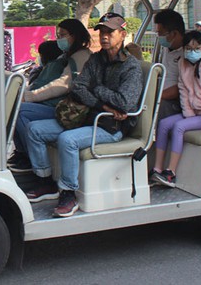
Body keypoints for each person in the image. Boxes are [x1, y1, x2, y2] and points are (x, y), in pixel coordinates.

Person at [23, 13, 143, 218]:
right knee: (34, 129)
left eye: (110, 32)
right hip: (87, 116)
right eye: (102, 32)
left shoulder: (131, 66)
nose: (104, 36)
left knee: (67, 139)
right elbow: (78, 86)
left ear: (122, 34)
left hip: (111, 125)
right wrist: (101, 102)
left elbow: (124, 103)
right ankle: (46, 181)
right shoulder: (96, 59)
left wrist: (96, 88)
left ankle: (68, 192)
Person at [7, 19, 92, 173]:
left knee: (20, 112)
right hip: (56, 105)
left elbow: (63, 84)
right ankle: (22, 153)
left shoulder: (81, 57)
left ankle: (30, 159)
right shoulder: (66, 55)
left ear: (75, 35)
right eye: (58, 35)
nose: (59, 39)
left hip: (69, 111)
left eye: (63, 35)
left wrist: (31, 96)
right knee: (14, 108)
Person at [151, 31, 201, 188]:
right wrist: (189, 115)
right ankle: (157, 168)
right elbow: (183, 89)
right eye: (188, 48)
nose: (192, 52)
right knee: (164, 124)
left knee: (179, 127)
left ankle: (171, 172)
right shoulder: (184, 64)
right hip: (194, 112)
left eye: (196, 48)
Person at [154, 9, 186, 119]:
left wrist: (155, 96)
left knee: (159, 105)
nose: (159, 37)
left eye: (161, 34)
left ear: (174, 33)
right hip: (161, 94)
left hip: (175, 101)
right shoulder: (166, 48)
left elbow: (182, 87)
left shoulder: (187, 54)